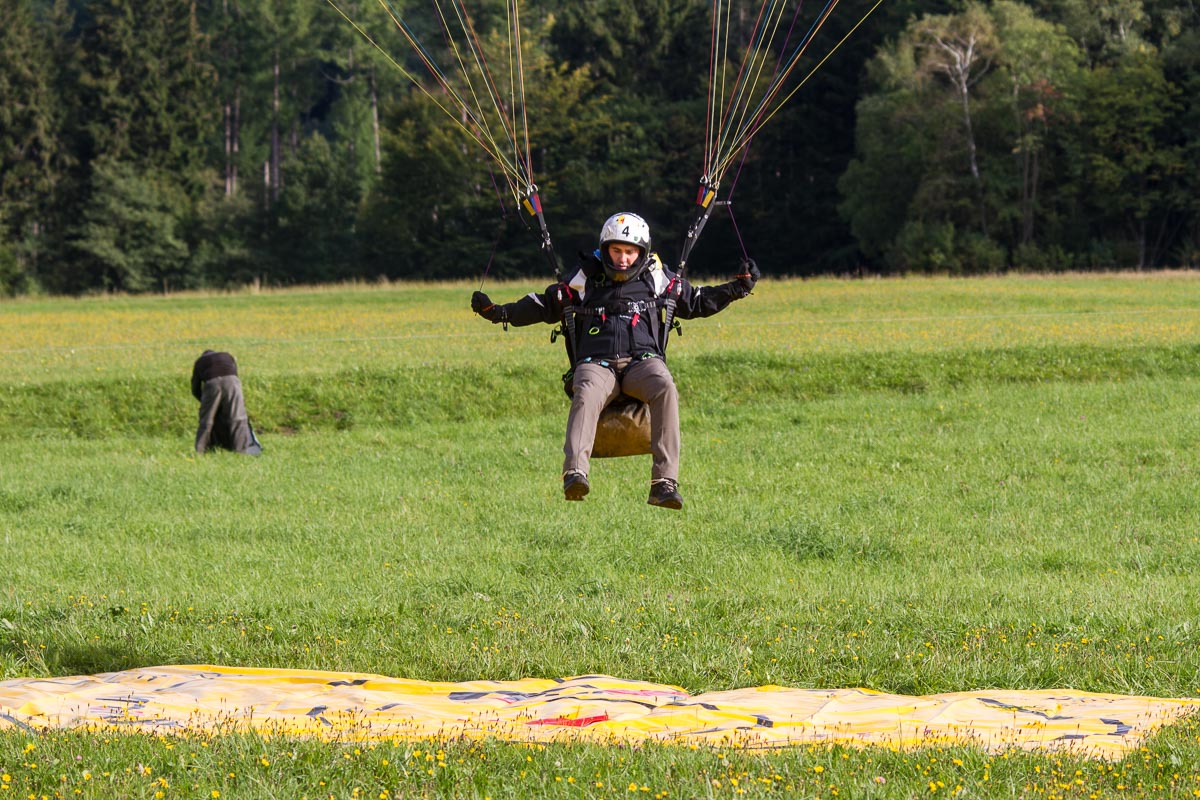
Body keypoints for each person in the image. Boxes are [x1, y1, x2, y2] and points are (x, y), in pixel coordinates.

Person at [471, 211, 759, 509]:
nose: (623, 259)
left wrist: (737, 288)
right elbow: (544, 305)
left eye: (630, 252)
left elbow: (696, 300)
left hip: (642, 361)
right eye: (616, 251)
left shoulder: (656, 276)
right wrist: (498, 312)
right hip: (597, 363)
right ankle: (575, 473)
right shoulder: (585, 277)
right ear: (605, 249)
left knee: (665, 385)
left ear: (641, 252)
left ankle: (664, 482)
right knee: (586, 391)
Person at [191, 350, 262, 456]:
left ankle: (200, 451)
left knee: (206, 421)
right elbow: (234, 376)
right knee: (238, 418)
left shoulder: (200, 362)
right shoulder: (227, 356)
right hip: (232, 382)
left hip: (212, 384)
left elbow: (195, 388)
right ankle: (241, 450)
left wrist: (206, 403)